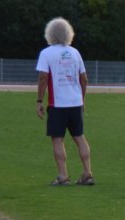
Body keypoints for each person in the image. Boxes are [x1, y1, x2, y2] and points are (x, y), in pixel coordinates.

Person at [35, 17, 94, 186]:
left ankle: (63, 176)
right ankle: (87, 173)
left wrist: (39, 101)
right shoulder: (75, 53)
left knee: (57, 139)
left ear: (50, 34)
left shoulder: (46, 53)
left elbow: (43, 78)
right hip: (75, 102)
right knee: (79, 137)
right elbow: (84, 79)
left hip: (58, 103)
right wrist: (82, 99)